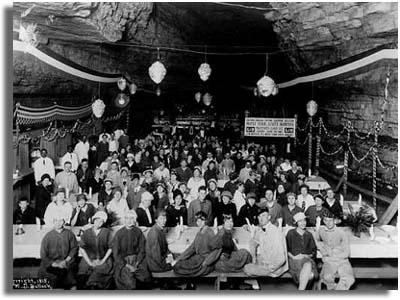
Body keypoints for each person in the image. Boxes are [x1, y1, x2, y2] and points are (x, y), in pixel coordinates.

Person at [173, 211, 221, 284]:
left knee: (178, 266)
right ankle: (189, 283)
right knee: (178, 262)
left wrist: (207, 261)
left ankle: (189, 283)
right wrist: (179, 258)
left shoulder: (209, 232)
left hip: (204, 262)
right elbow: (192, 247)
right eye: (198, 221)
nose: (199, 223)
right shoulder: (200, 232)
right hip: (199, 259)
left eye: (202, 220)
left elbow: (218, 249)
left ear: (206, 221)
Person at [315, 211, 355, 290]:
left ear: (335, 221)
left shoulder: (341, 232)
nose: (328, 223)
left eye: (330, 220)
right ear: (323, 221)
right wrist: (322, 249)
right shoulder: (321, 230)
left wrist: (331, 258)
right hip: (329, 261)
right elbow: (315, 240)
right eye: (326, 220)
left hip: (341, 260)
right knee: (327, 277)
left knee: (349, 279)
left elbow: (346, 253)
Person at [243, 207, 288, 277]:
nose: (261, 218)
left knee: (247, 268)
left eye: (263, 215)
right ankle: (256, 282)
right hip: (266, 262)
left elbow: (281, 259)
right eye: (259, 216)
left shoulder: (275, 232)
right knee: (247, 264)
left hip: (276, 267)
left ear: (269, 217)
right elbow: (253, 242)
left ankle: (256, 282)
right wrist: (254, 258)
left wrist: (269, 268)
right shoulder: (260, 230)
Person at [38, 213, 78, 289]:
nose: (58, 223)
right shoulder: (48, 236)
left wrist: (66, 260)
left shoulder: (69, 234)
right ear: (53, 222)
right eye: (56, 221)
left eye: (61, 221)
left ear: (64, 222)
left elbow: (74, 248)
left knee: (71, 280)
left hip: (66, 261)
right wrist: (53, 264)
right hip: (52, 262)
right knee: (49, 279)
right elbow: (43, 254)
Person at [113, 210, 151, 289]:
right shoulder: (119, 234)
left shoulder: (138, 231)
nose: (129, 221)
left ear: (135, 220)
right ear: (124, 220)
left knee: (145, 278)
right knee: (129, 283)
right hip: (123, 261)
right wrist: (128, 266)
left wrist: (137, 263)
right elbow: (116, 254)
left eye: (132, 218)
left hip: (136, 259)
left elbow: (142, 249)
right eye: (127, 218)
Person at [77, 211, 113, 290]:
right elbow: (82, 248)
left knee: (100, 275)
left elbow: (111, 248)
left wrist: (102, 261)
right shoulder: (87, 232)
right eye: (97, 220)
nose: (98, 223)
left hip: (103, 258)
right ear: (93, 220)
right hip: (88, 258)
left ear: (103, 223)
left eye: (101, 221)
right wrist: (89, 262)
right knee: (82, 275)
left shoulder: (107, 232)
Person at [286, 212, 318, 290]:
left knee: (308, 265)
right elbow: (286, 249)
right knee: (309, 275)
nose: (303, 223)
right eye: (300, 221)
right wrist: (294, 257)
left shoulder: (309, 234)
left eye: (304, 220)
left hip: (307, 260)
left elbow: (314, 251)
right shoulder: (291, 233)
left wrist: (305, 255)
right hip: (294, 260)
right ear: (296, 223)